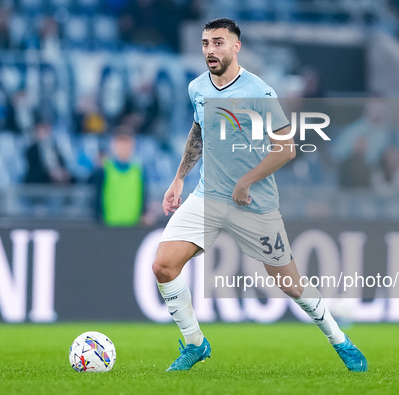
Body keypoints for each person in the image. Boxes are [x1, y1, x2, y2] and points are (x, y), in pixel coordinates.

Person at [152, 18, 367, 372]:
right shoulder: (197, 88)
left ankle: (339, 339)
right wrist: (178, 179)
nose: (210, 50)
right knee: (163, 265)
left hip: (253, 204)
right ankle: (195, 344)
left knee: (291, 285)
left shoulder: (260, 92)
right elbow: (198, 130)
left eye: (218, 43)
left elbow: (286, 148)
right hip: (208, 196)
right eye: (206, 43)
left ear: (236, 47)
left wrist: (246, 181)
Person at [90, 132, 154, 227]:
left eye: (127, 146)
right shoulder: (104, 169)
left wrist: (144, 213)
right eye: (120, 146)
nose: (124, 150)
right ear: (114, 147)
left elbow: (144, 194)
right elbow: (96, 194)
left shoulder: (139, 170)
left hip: (134, 224)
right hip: (109, 224)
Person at [24, 113, 73, 185]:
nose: (46, 132)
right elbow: (34, 169)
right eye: (43, 129)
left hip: (57, 175)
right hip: (41, 177)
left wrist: (61, 171)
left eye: (47, 129)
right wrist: (50, 172)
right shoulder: (32, 149)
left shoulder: (55, 147)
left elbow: (62, 163)